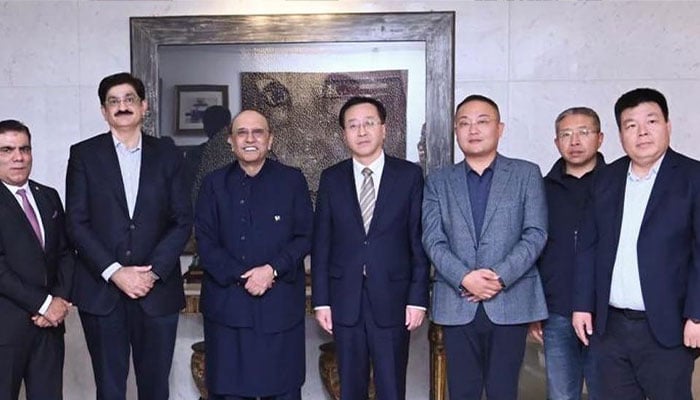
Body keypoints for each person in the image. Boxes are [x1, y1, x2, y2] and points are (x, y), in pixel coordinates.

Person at [65, 72, 193, 400]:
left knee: (155, 389)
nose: (122, 107)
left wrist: (152, 273)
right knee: (109, 388)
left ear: (143, 106)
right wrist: (115, 272)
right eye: (113, 101)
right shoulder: (83, 155)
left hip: (157, 291)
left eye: (129, 99)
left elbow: (182, 220)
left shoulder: (168, 155)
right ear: (104, 111)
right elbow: (76, 223)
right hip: (102, 292)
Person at [572, 88, 700, 399]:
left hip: (668, 328)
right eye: (631, 125)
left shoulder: (692, 177)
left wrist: (696, 315)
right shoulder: (605, 179)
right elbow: (589, 246)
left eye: (651, 122)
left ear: (668, 126)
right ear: (620, 134)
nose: (642, 132)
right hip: (610, 328)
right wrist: (581, 305)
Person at [422, 94, 548, 400]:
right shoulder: (439, 180)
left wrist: (498, 276)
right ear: (455, 130)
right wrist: (465, 277)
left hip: (510, 299)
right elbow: (432, 238)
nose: (473, 129)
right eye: (464, 123)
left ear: (500, 128)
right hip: (457, 300)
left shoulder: (526, 174)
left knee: (503, 391)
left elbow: (535, 233)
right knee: (462, 392)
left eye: (482, 121)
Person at [312, 96, 430, 400]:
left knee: (392, 387)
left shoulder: (409, 176)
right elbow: (322, 243)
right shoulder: (331, 178)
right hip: (344, 300)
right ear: (343, 134)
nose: (361, 131)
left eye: (369, 123)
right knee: (350, 387)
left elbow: (417, 242)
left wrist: (417, 299)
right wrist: (321, 301)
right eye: (353, 125)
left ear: (384, 129)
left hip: (393, 298)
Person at [195, 109, 313, 400]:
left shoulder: (291, 181)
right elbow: (206, 243)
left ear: (270, 140)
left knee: (283, 390)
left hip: (279, 309)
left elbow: (306, 235)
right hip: (227, 309)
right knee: (228, 391)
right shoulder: (212, 184)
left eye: (258, 132)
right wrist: (244, 275)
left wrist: (271, 269)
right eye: (242, 133)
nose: (250, 139)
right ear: (230, 142)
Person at [529, 107, 605, 400]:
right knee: (561, 394)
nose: (574, 141)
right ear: (556, 142)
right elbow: (531, 250)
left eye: (583, 133)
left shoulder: (617, 183)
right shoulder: (540, 189)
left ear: (600, 138)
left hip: (607, 313)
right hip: (556, 310)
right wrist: (534, 310)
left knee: (608, 392)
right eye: (566, 134)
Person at [0, 119, 74, 400]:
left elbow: (66, 253)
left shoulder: (48, 196)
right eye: (7, 150)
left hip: (49, 328)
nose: (18, 157)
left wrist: (60, 300)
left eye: (24, 149)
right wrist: (43, 304)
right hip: (6, 330)